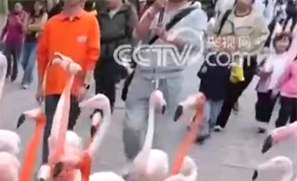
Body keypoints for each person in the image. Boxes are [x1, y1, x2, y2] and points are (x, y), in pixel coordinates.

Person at [121, 0, 205, 165]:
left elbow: (195, 45)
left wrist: (170, 38)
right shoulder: (156, 7)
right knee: (132, 125)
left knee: (160, 131)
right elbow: (138, 34)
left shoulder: (196, 14)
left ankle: (154, 169)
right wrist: (152, 11)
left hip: (169, 77)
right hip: (142, 74)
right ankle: (132, 161)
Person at [37, 0, 100, 162]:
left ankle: (62, 168)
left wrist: (85, 84)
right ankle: (47, 168)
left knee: (66, 132)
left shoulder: (90, 21)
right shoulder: (52, 23)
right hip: (52, 87)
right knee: (51, 131)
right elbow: (42, 55)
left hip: (75, 89)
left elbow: (92, 55)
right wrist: (40, 85)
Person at [210, 0, 270, 131]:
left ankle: (220, 121)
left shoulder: (257, 19)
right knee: (214, 87)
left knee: (232, 92)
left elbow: (261, 38)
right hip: (222, 57)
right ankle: (207, 118)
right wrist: (218, 45)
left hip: (245, 61)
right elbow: (214, 32)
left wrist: (240, 47)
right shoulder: (227, 13)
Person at [96, 0, 137, 108]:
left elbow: (133, 34)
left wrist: (131, 53)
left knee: (110, 79)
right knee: (99, 79)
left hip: (119, 51)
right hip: (102, 51)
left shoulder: (128, 12)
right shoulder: (101, 14)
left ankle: (108, 105)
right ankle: (99, 107)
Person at [254, 33, 292, 131]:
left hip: (277, 86)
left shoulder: (288, 60)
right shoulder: (269, 56)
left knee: (270, 104)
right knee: (260, 103)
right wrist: (262, 72)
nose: (282, 44)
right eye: (280, 41)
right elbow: (257, 69)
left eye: (285, 41)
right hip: (264, 84)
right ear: (275, 42)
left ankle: (263, 124)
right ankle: (259, 119)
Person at [21, 1, 49, 88]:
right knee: (24, 62)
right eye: (36, 4)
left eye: (39, 5)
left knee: (30, 63)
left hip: (36, 42)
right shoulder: (29, 15)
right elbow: (24, 27)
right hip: (27, 41)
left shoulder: (44, 15)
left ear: (42, 6)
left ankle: (26, 81)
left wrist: (30, 26)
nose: (37, 6)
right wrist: (29, 27)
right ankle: (29, 76)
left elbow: (42, 26)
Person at [274, 52, 297, 126]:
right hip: (287, 94)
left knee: (295, 119)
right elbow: (284, 77)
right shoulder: (293, 65)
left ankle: (291, 132)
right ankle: (278, 129)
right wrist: (276, 88)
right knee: (284, 114)